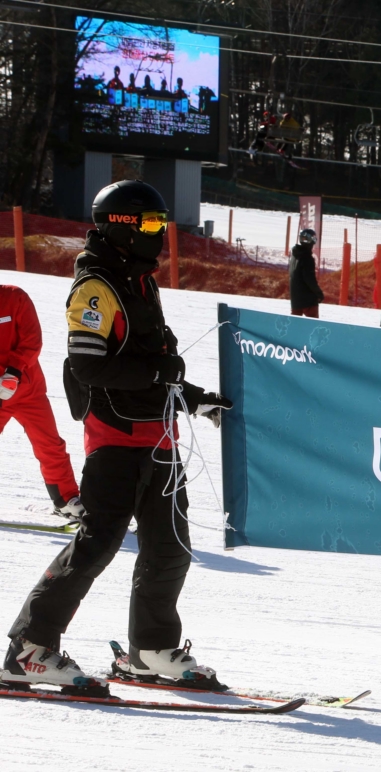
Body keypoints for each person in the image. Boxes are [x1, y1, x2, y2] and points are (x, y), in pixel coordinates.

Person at [2, 180, 233, 692]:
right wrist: (159, 375)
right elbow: (88, 367)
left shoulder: (139, 281)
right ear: (123, 226)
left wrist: (193, 398)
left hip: (160, 440)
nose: (159, 232)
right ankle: (29, 649)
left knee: (170, 548)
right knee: (96, 545)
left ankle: (148, 651)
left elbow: (155, 361)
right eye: (151, 223)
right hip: (115, 439)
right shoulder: (96, 288)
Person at [0, 285, 85, 521]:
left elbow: (32, 339)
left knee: (50, 445)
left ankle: (66, 500)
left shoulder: (14, 297)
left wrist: (13, 373)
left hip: (29, 390)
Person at [289, 228, 323, 318]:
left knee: (295, 326)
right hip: (308, 299)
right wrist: (318, 293)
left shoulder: (294, 255)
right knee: (312, 327)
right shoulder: (307, 258)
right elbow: (309, 278)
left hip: (295, 298)